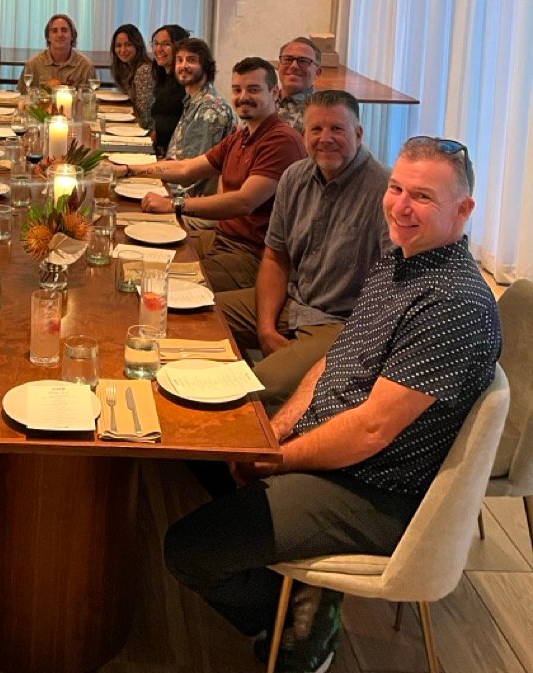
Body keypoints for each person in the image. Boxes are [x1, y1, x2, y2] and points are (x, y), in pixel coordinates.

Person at [164, 136, 500, 673]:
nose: (400, 206)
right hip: (338, 454)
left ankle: (291, 618)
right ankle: (283, 569)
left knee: (189, 549)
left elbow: (370, 432)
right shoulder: (401, 260)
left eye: (422, 197)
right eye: (395, 189)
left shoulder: (451, 302)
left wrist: (276, 459)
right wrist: (274, 430)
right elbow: (335, 360)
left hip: (375, 489)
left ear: (464, 210)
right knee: (194, 440)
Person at [217, 90, 391, 409]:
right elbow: (275, 255)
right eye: (316, 129)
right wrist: (266, 327)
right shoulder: (295, 177)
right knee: (200, 317)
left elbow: (392, 290)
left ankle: (237, 453)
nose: (325, 139)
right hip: (295, 300)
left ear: (358, 133)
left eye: (336, 129)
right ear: (304, 133)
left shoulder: (384, 192)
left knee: (256, 386)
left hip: (340, 321)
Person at [141, 57, 306, 292]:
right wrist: (126, 170)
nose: (243, 96)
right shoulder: (242, 136)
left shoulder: (281, 140)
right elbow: (186, 168)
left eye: (253, 89)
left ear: (275, 93)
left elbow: (244, 201)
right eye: (237, 89)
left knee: (163, 285)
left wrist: (173, 204)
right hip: (222, 237)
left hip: (253, 254)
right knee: (147, 253)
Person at [163, 37, 235, 191]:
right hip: (175, 186)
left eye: (191, 60)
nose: (183, 66)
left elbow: (192, 176)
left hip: (189, 201)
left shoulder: (209, 110)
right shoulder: (194, 100)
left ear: (205, 66)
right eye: (179, 60)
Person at [17, 14, 95, 91]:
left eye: (64, 30)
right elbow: (21, 97)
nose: (60, 35)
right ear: (48, 37)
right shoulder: (32, 65)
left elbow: (94, 99)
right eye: (54, 31)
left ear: (72, 36)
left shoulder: (85, 66)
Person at [149, 23, 189, 155]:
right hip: (159, 149)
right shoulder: (163, 77)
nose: (158, 49)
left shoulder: (184, 83)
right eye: (156, 43)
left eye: (166, 44)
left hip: (172, 156)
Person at [109, 23, 154, 129]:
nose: (123, 50)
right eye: (118, 45)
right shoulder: (126, 67)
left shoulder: (144, 70)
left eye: (128, 44)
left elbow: (144, 114)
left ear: (137, 45)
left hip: (144, 130)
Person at [276, 36, 323, 132]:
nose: (294, 66)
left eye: (303, 61)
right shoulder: (263, 101)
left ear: (317, 72)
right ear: (278, 66)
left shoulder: (322, 112)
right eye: (288, 59)